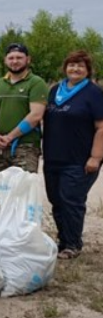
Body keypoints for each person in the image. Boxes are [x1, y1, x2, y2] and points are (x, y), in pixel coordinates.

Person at [42, 50, 103, 259]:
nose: (75, 69)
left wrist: (96, 157)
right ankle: (63, 240)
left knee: (71, 200)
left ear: (87, 70)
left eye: (80, 66)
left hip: (80, 160)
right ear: (65, 68)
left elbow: (101, 127)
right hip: (53, 157)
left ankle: (73, 244)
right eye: (71, 65)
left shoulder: (93, 93)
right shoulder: (54, 91)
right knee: (56, 200)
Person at [0, 43, 48, 174]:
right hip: (0, 146)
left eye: (19, 57)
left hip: (25, 147)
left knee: (23, 190)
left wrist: (10, 137)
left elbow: (35, 115)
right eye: (11, 58)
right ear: (5, 60)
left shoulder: (36, 83)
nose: (15, 61)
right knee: (2, 191)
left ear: (28, 59)